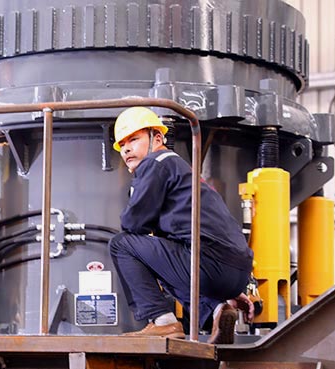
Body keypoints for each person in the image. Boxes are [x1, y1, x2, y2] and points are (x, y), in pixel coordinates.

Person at [108, 107, 254, 343]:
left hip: (207, 264)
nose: (126, 149)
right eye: (122, 144)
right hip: (236, 273)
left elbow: (133, 223)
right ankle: (218, 310)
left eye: (133, 139)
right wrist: (230, 286)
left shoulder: (156, 163)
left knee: (121, 245)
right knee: (164, 257)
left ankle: (162, 321)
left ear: (157, 138)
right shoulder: (182, 170)